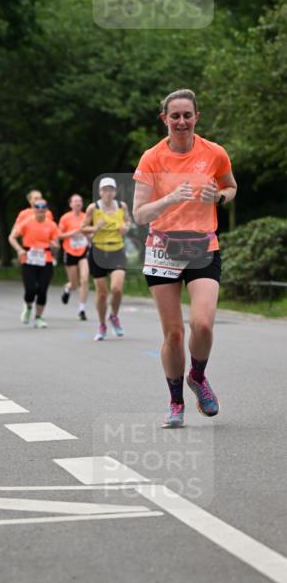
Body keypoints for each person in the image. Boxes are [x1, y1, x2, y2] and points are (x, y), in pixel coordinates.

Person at [132, 88, 237, 428]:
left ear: (196, 117)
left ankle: (198, 376)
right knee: (174, 334)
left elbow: (231, 186)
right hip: (162, 248)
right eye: (174, 116)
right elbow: (139, 214)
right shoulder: (151, 158)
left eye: (187, 115)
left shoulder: (215, 153)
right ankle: (176, 401)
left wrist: (219, 196)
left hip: (202, 247)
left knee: (203, 324)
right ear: (164, 119)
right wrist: (170, 199)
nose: (181, 121)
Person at [82, 178, 131, 340]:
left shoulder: (121, 206)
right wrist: (96, 227)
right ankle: (102, 324)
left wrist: (126, 227)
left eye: (111, 190)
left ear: (115, 192)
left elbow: (128, 221)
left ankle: (114, 316)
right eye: (105, 190)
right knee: (102, 294)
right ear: (100, 192)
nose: (108, 193)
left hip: (117, 250)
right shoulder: (93, 208)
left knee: (117, 288)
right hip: (98, 252)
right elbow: (83, 228)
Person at [9, 199, 61, 327]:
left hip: (46, 259)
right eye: (37, 206)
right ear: (34, 208)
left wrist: (55, 245)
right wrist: (19, 250)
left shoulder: (51, 225)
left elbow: (57, 243)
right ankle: (28, 307)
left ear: (46, 209)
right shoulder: (27, 223)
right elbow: (12, 237)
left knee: (42, 289)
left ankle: (38, 317)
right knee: (30, 289)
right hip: (29, 259)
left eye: (43, 206)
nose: (40, 209)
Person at [58, 194, 90, 320]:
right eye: (75, 201)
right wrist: (73, 233)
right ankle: (68, 289)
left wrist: (88, 235)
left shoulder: (86, 217)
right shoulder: (65, 218)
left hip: (83, 251)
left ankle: (82, 309)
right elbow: (59, 235)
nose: (78, 203)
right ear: (70, 204)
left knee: (85, 279)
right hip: (70, 251)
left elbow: (90, 232)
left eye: (80, 201)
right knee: (75, 284)